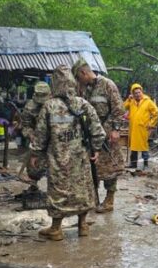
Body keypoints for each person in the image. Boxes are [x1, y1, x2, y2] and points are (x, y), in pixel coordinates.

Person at [30, 65, 106, 241]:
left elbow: (41, 134)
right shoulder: (82, 104)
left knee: (58, 191)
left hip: (58, 159)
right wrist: (95, 148)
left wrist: (35, 154)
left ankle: (56, 229)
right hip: (80, 157)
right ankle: (83, 226)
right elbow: (98, 131)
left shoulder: (49, 106)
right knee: (83, 189)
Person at [72, 58, 125, 213]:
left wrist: (114, 129)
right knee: (92, 167)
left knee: (110, 169)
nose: (78, 80)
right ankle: (93, 199)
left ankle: (109, 200)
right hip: (92, 135)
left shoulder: (107, 84)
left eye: (78, 77)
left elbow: (119, 109)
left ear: (83, 72)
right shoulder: (85, 89)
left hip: (107, 134)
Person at [20, 81, 51, 189]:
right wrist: (31, 134)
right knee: (34, 166)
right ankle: (34, 186)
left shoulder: (55, 103)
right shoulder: (30, 106)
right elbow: (25, 125)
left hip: (54, 140)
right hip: (37, 140)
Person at [123, 83, 158, 169]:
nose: (138, 94)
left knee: (143, 147)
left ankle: (145, 165)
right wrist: (128, 99)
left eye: (139, 92)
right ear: (133, 94)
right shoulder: (131, 101)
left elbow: (156, 112)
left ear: (142, 92)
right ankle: (133, 164)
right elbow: (123, 107)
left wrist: (151, 124)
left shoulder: (148, 101)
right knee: (133, 147)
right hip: (133, 128)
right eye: (135, 93)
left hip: (143, 128)